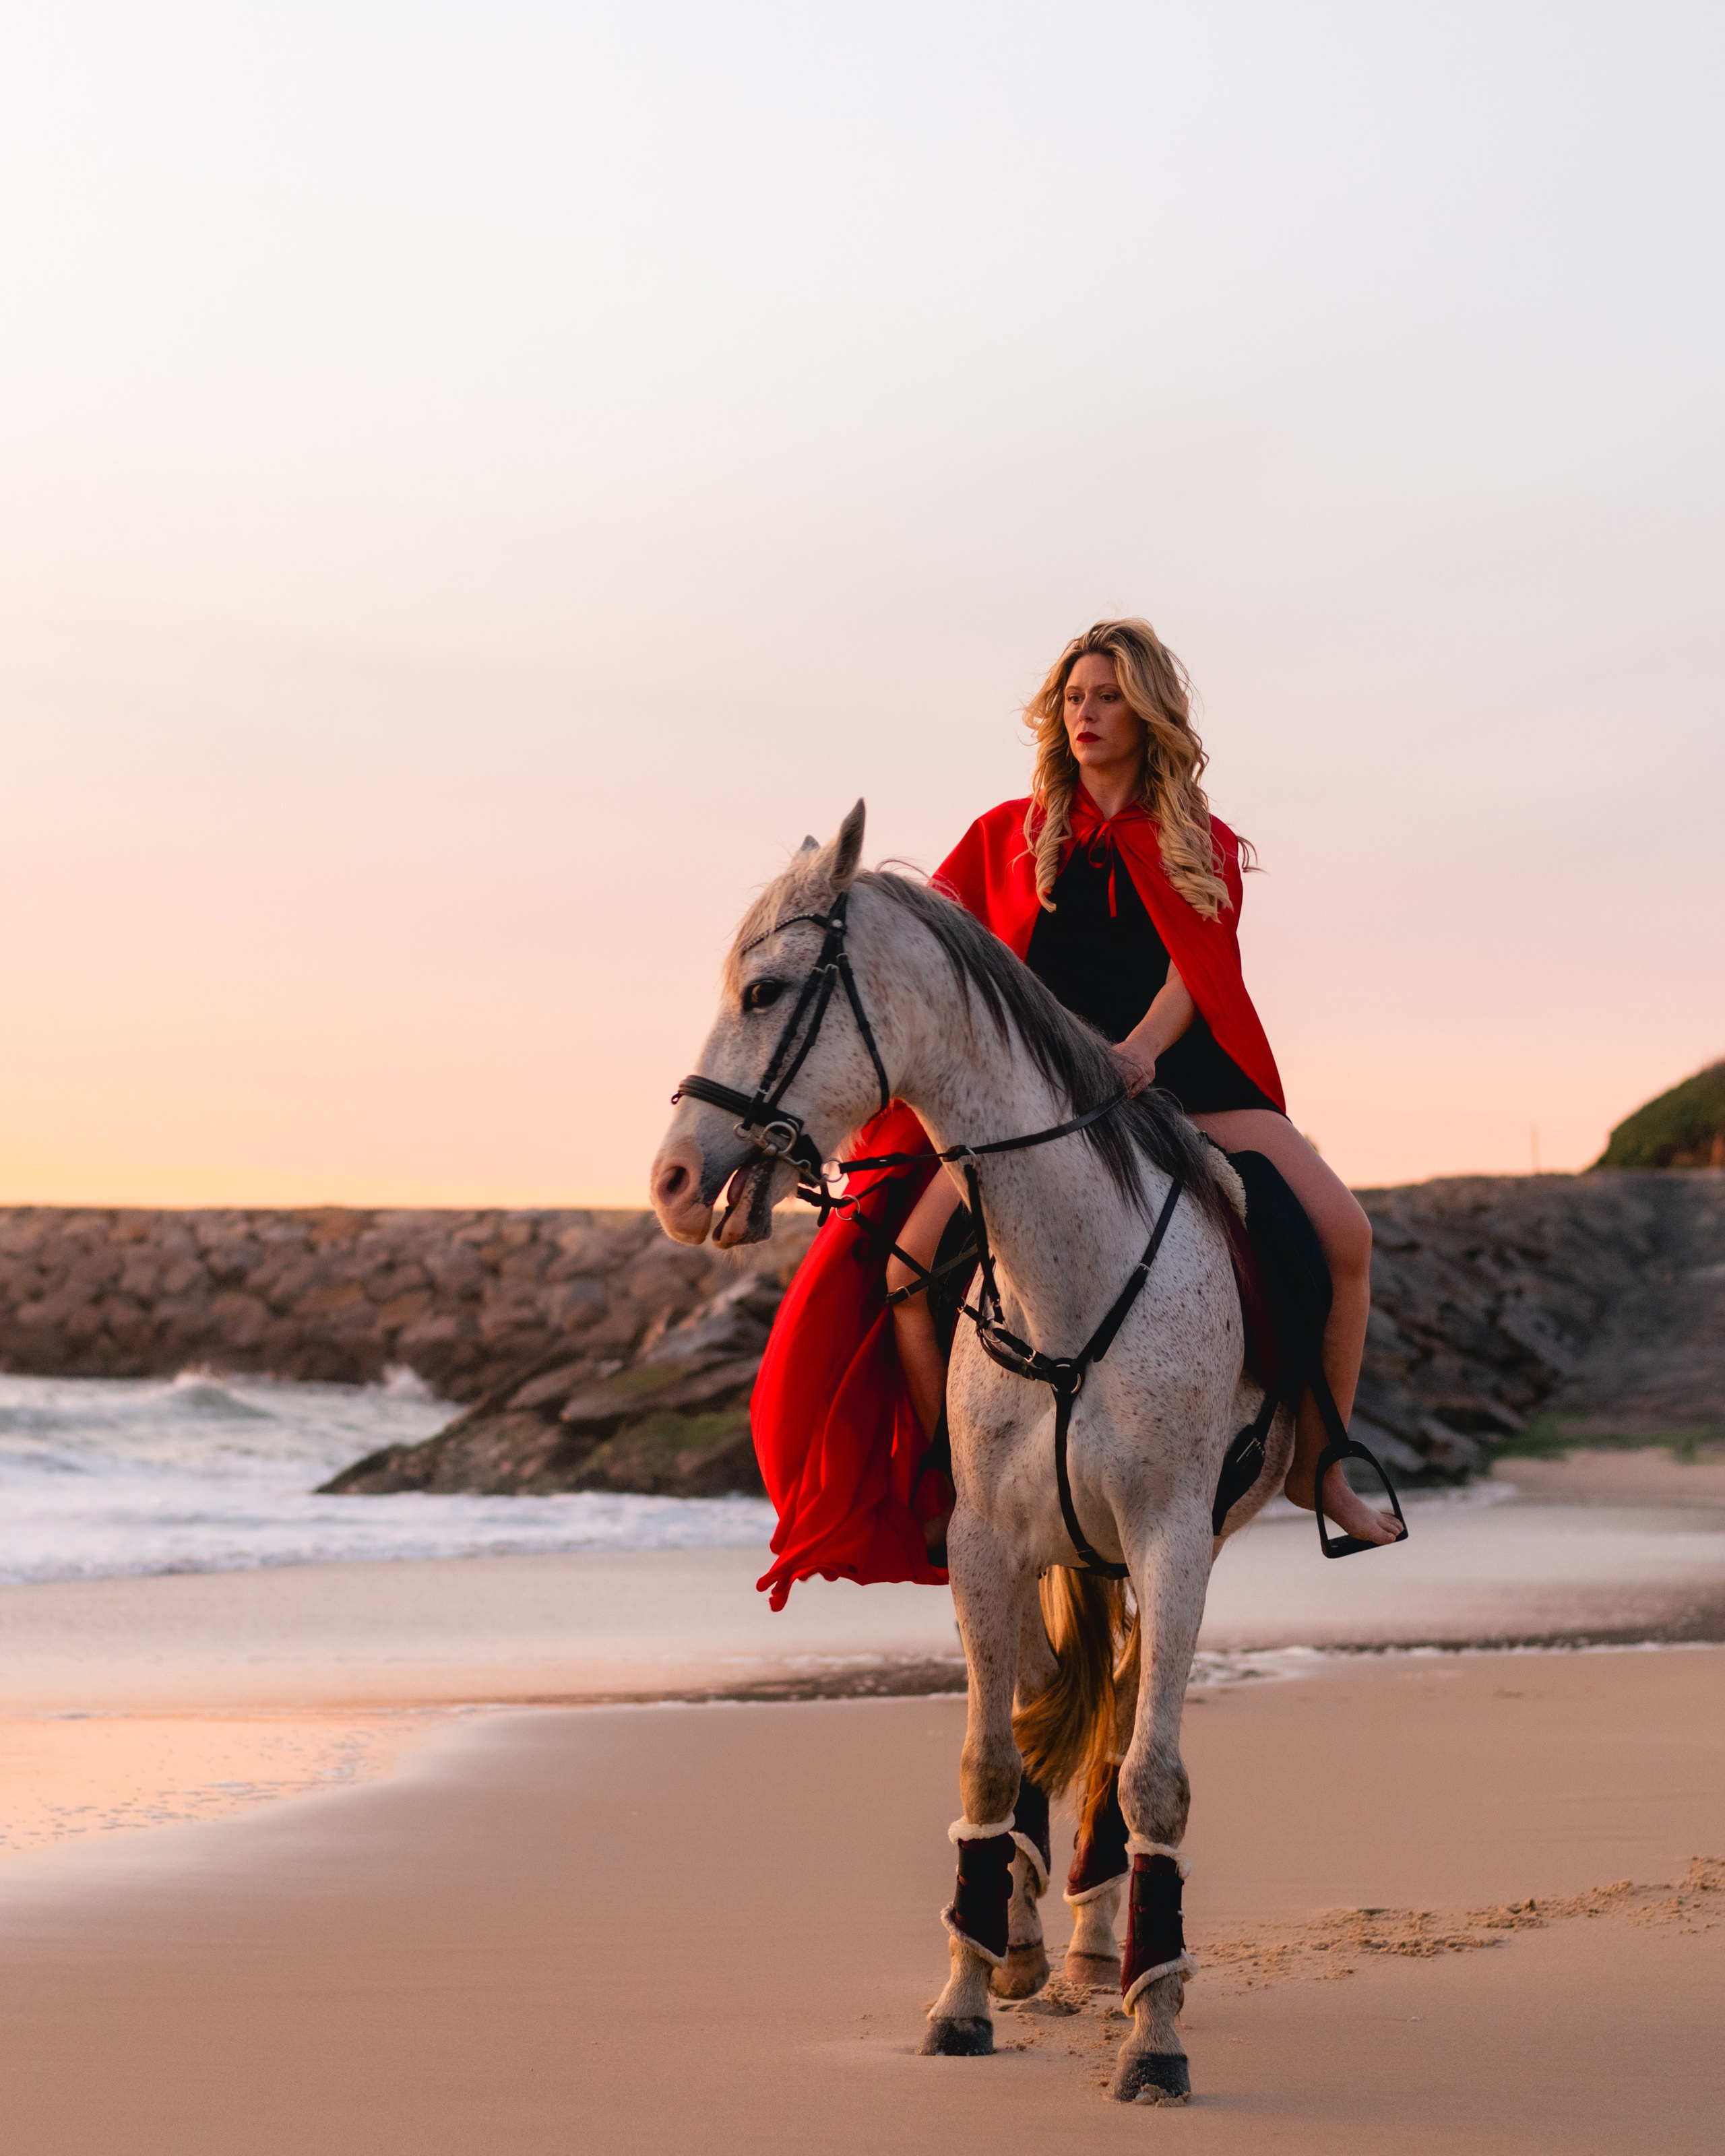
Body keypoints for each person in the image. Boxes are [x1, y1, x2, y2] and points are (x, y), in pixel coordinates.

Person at [887, 617, 1401, 1552]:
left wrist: (1136, 1055)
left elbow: (1193, 973)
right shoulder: (1010, 833)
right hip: (1036, 1108)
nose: (1086, 712)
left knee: (1346, 1238)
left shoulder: (1198, 837)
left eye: (1108, 695)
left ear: (1148, 710)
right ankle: (952, 1489)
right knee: (906, 1272)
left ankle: (1318, 1470)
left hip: (1180, 1079)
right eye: (1075, 697)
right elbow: (943, 957)